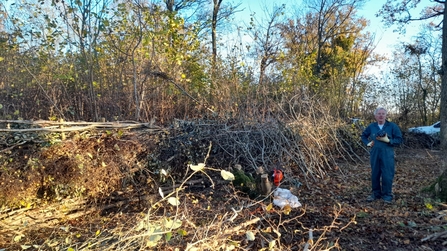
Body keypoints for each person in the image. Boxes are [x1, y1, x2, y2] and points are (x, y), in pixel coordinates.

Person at [361, 107, 403, 203]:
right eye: (379, 114)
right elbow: (363, 136)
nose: (381, 115)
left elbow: (399, 139)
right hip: (375, 153)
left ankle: (387, 195)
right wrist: (367, 143)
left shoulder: (392, 126)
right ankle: (375, 194)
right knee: (375, 173)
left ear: (386, 115)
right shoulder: (371, 126)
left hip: (387, 153)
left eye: (383, 114)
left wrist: (389, 141)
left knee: (387, 174)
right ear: (375, 116)